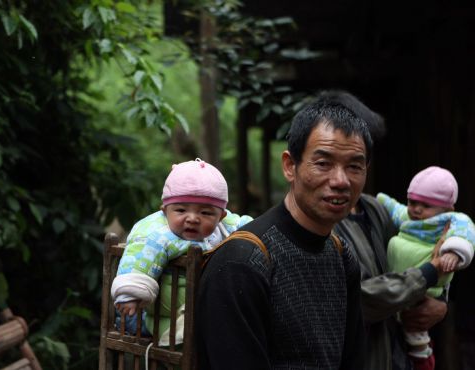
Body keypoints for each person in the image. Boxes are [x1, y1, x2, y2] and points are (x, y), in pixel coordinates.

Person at [195, 92, 369, 369]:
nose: (340, 180)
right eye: (323, 163)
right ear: (290, 166)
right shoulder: (242, 262)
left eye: (354, 166)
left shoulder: (340, 255)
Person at [328, 90, 465, 370]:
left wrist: (440, 303)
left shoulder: (374, 209)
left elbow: (420, 253)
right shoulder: (321, 223)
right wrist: (427, 275)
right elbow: (356, 301)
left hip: (395, 354)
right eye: (327, 161)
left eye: (357, 161)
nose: (341, 178)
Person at [111, 158, 252, 343]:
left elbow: (249, 229)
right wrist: (130, 294)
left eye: (206, 213)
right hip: (164, 319)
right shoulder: (157, 234)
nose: (192, 218)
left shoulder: (225, 229)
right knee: (186, 339)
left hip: (202, 312)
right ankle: (140, 326)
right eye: (181, 210)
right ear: (165, 210)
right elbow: (138, 259)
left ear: (221, 216)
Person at [377, 166, 475, 361]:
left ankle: (421, 356)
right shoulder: (408, 215)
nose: (416, 209)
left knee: (415, 331)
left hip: (425, 284)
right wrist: (379, 199)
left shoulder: (453, 219)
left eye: (426, 205)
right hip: (396, 282)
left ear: (448, 209)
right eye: (412, 202)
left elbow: (465, 234)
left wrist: (454, 253)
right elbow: (395, 209)